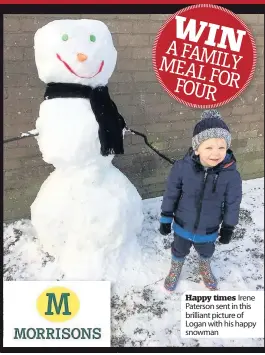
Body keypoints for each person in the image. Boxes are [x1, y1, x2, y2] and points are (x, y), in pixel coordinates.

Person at [159, 109, 242, 291]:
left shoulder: (231, 175)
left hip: (209, 227)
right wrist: (166, 217)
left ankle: (204, 266)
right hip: (182, 223)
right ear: (197, 149)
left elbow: (232, 203)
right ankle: (176, 267)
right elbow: (171, 193)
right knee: (179, 249)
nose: (216, 153)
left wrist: (228, 227)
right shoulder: (182, 168)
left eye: (222, 147)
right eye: (209, 147)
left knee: (206, 250)